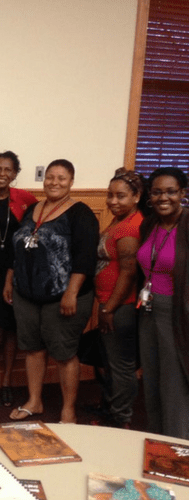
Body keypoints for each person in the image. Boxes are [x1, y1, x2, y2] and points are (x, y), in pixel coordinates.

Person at [4, 159, 98, 424]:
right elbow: (17, 249)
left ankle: (68, 409)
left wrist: (71, 292)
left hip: (64, 297)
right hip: (27, 294)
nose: (54, 182)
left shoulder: (81, 214)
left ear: (71, 182)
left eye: (62, 178)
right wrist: (10, 280)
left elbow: (85, 258)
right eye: (50, 177)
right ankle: (35, 401)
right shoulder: (33, 209)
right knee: (33, 349)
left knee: (64, 352)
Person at [137, 167, 189, 439]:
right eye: (157, 192)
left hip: (178, 313)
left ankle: (179, 448)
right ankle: (157, 441)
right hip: (148, 310)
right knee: (153, 381)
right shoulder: (149, 224)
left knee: (175, 384)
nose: (163, 198)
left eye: (171, 191)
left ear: (182, 193)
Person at [0, 151, 37, 408]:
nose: (2, 174)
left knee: (12, 329)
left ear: (15, 174)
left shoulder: (25, 200)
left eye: (8, 170)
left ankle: (5, 381)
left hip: (16, 271)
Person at [93, 168, 144, 429]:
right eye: (110, 195)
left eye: (121, 196)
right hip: (108, 303)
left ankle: (120, 420)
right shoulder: (120, 221)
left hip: (120, 307)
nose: (113, 201)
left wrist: (109, 309)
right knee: (109, 362)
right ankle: (111, 409)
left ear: (136, 197)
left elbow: (128, 274)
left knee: (121, 366)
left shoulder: (131, 228)